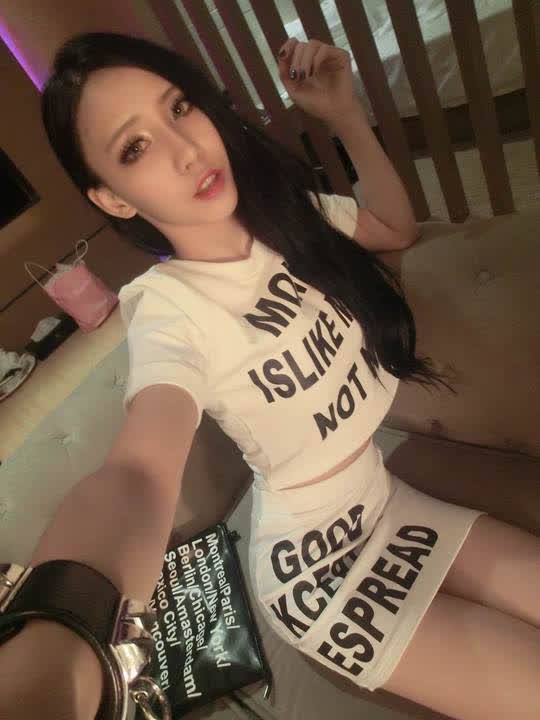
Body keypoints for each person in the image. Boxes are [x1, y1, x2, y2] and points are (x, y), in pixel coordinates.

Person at [1, 31, 539, 720]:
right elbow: (140, 472)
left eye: (180, 108)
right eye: (135, 147)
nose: (186, 149)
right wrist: (64, 627)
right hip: (316, 573)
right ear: (114, 199)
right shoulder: (168, 308)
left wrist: (344, 113)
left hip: (388, 502)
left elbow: (393, 228)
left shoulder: (288, 219)